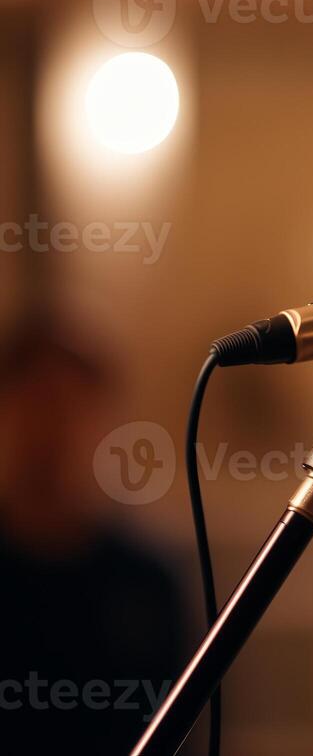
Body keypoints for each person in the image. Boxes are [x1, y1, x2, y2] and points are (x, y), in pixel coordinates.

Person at [0, 313, 190, 754]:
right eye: (36, 402)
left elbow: (184, 725)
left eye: (69, 406)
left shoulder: (147, 582)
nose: (52, 429)